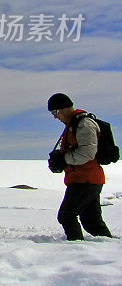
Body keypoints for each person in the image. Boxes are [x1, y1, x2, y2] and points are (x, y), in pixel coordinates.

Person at [47, 92, 113, 240]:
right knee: (91, 221)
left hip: (86, 179)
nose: (55, 116)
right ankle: (108, 249)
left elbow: (87, 153)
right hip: (86, 179)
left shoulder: (83, 124)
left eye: (55, 112)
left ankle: (75, 249)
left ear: (65, 109)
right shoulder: (74, 124)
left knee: (66, 216)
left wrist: (64, 159)